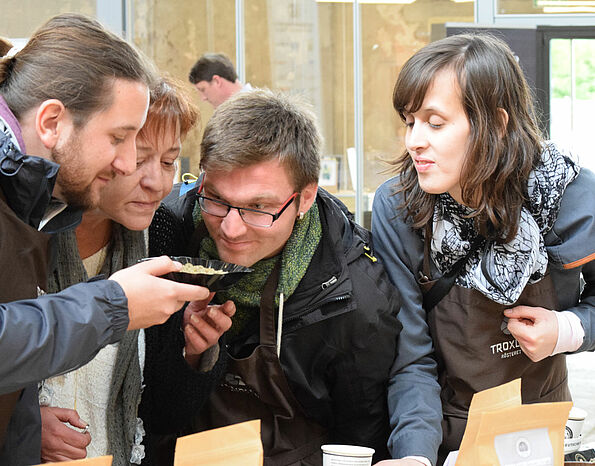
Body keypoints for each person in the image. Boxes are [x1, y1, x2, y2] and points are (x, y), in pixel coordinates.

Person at [0, 14, 210, 465]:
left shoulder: (23, 186)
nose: (127, 165)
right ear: (51, 122)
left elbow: (11, 380)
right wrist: (114, 304)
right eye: (120, 139)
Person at [140, 89, 403, 464]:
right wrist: (189, 357)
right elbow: (149, 413)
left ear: (305, 197)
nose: (230, 229)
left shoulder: (354, 299)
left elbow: (360, 440)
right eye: (215, 198)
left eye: (258, 207)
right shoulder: (166, 237)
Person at [371, 33, 595, 466]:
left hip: (542, 427)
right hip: (444, 431)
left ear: (497, 121)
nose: (414, 141)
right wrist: (415, 455)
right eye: (409, 121)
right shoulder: (398, 206)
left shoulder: (568, 196)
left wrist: (565, 330)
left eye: (435, 123)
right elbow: (410, 355)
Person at [36, 77, 233, 466]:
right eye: (139, 158)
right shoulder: (26, 234)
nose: (157, 182)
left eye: (168, 161)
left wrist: (192, 352)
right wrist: (21, 424)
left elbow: (163, 416)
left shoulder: (161, 235)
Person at [188, 53, 252, 108]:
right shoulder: (233, 110)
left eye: (203, 89)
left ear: (217, 81)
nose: (203, 98)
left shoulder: (256, 110)